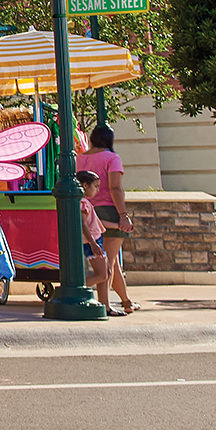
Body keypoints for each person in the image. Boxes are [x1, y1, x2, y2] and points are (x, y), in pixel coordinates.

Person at [77, 125, 135, 316]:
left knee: (112, 262)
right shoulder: (112, 158)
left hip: (88, 210)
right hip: (109, 210)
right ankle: (104, 305)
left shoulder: (80, 158)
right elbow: (115, 188)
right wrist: (124, 214)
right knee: (106, 264)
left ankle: (126, 301)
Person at [74, 171, 111, 288]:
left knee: (107, 273)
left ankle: (105, 304)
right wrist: (93, 243)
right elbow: (84, 225)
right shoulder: (82, 203)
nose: (97, 190)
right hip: (92, 241)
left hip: (95, 239)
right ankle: (74, 288)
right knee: (102, 274)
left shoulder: (84, 202)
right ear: (85, 185)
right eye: (95, 186)